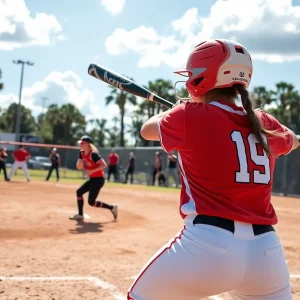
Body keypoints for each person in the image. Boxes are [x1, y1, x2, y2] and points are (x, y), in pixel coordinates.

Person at [127, 39, 300, 300]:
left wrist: (179, 110)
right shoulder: (263, 121)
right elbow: (294, 140)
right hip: (267, 253)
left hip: (208, 247)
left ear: (202, 79)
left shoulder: (187, 114)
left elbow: (146, 129)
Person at [69, 136, 118, 221]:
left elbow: (104, 165)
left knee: (91, 202)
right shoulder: (81, 153)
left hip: (98, 180)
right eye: (80, 143)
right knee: (79, 192)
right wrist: (80, 161)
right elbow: (79, 167)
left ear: (88, 144)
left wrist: (92, 171)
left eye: (83, 143)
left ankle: (112, 207)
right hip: (92, 179)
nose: (81, 144)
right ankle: (80, 215)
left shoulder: (93, 154)